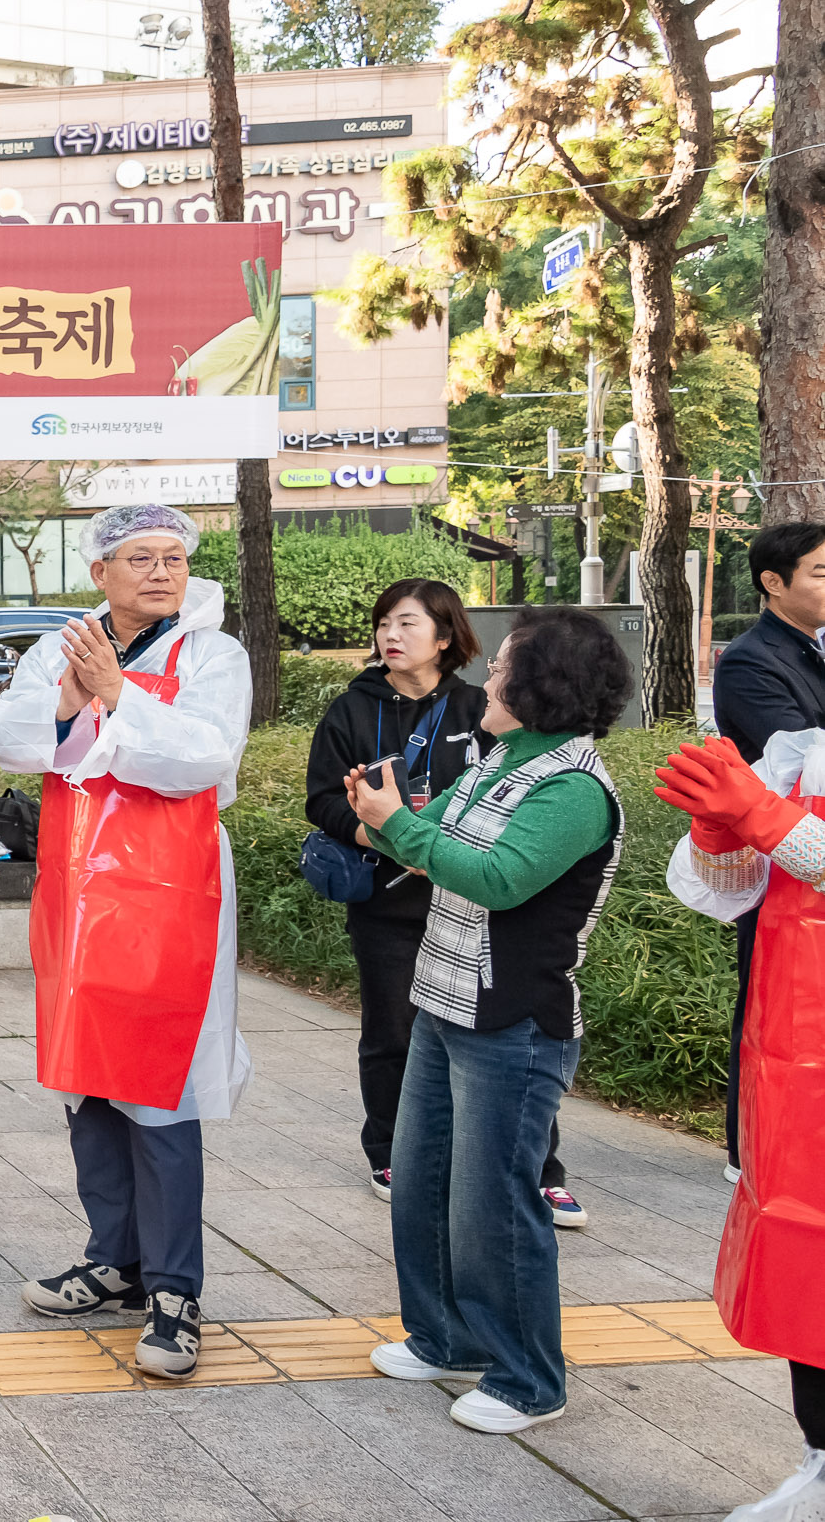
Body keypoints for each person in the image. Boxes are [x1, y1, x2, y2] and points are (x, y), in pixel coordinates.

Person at [0, 503, 252, 1381]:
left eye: (173, 557)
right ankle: (114, 1256)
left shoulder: (211, 652)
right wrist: (69, 697)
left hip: (169, 891)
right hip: (76, 886)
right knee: (84, 1078)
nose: (160, 571)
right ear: (100, 571)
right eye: (139, 557)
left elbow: (205, 756)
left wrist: (114, 696)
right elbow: (9, 739)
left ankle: (176, 1291)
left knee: (158, 1086)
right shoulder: (58, 644)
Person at [348, 606, 627, 1435]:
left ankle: (529, 1378)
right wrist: (390, 815)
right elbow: (426, 841)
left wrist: (394, 823)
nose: (489, 679)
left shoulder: (573, 785)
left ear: (543, 686)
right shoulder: (500, 758)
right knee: (422, 1182)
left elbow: (498, 877)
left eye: (505, 667)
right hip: (442, 999)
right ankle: (445, 1336)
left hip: (515, 1021)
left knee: (494, 1203)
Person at [303, 582, 583, 1222]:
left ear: (447, 636)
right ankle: (391, 1150)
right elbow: (321, 798)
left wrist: (425, 832)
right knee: (393, 1031)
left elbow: (508, 794)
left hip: (473, 897)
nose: (389, 636)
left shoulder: (480, 710)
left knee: (505, 1036)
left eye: (406, 623)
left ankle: (542, 1170)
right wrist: (378, 830)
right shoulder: (351, 710)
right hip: (385, 900)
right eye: (382, 624)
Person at [658, 731, 825, 1521]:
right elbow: (727, 889)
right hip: (797, 1060)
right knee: (807, 1267)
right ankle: (820, 1459)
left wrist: (758, 811)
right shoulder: (803, 752)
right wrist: (718, 830)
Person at [710, 521, 825, 1176]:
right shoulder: (754, 660)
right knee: (769, 1001)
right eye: (820, 572)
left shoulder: (813, 647)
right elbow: (805, 760)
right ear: (772, 582)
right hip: (783, 860)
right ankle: (748, 1147)